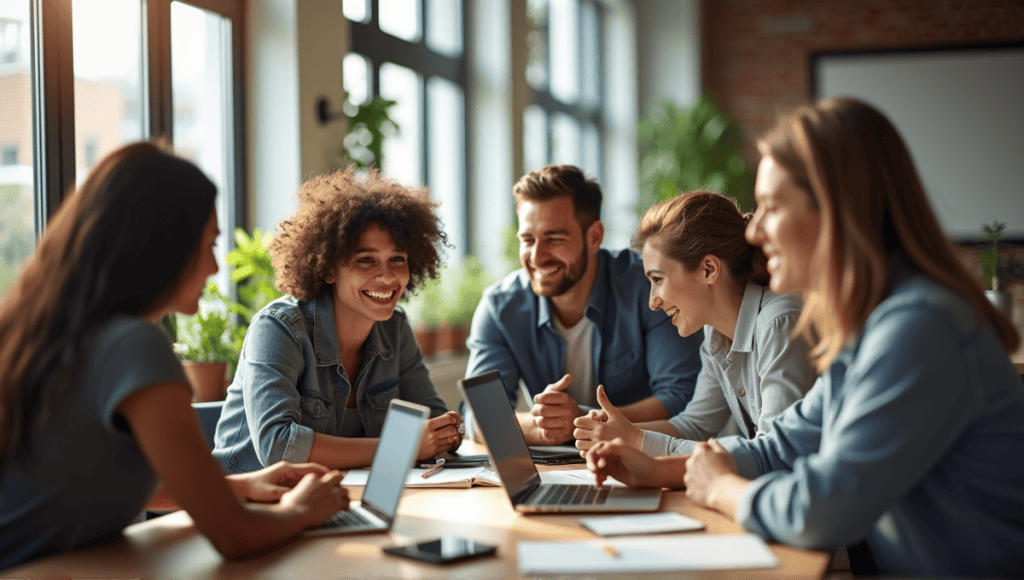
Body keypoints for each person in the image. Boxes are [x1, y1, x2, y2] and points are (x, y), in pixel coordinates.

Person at [585, 98, 1024, 577]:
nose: (753, 230)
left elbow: (821, 509)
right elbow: (781, 446)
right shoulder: (872, 328)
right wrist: (655, 469)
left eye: (772, 207)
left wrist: (721, 488)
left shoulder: (918, 329)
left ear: (833, 210)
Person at [0, 143, 349, 570]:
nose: (215, 268)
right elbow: (233, 535)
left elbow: (86, 483)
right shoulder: (134, 345)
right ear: (161, 246)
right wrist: (302, 510)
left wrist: (236, 487)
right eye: (209, 245)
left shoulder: (61, 331)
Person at [213, 168, 462, 473]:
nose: (386, 277)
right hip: (250, 507)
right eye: (366, 260)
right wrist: (401, 446)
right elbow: (278, 446)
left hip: (338, 497)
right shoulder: (279, 328)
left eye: (397, 259)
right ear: (329, 269)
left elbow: (433, 425)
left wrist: (447, 432)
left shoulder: (394, 328)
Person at [464, 164, 703, 446]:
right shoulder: (500, 308)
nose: (537, 257)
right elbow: (478, 417)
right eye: (527, 240)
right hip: (556, 468)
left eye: (554, 239)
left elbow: (680, 398)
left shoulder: (649, 287)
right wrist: (545, 427)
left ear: (594, 237)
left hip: (642, 458)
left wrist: (582, 420)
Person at [573, 191, 816, 456]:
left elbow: (775, 453)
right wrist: (621, 434)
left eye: (658, 280)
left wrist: (636, 440)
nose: (653, 302)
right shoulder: (716, 334)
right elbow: (694, 425)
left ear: (709, 269)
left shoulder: (778, 322)